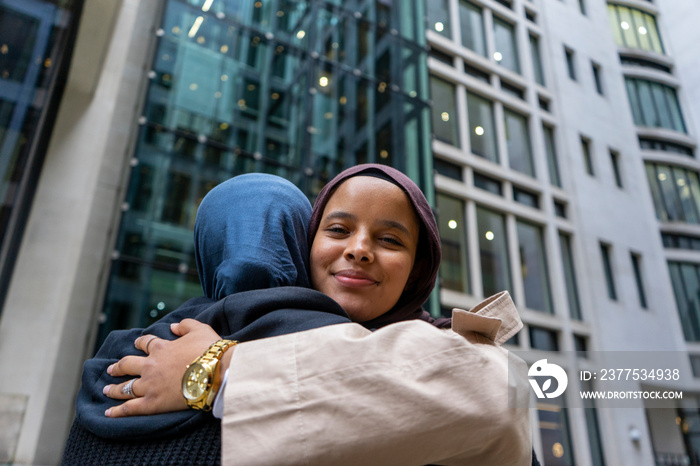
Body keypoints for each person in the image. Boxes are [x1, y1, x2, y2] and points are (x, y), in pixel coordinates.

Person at [65, 165, 532, 465]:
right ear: (302, 249)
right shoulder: (165, 346)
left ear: (418, 271)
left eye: (390, 240)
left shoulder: (448, 350)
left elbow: (496, 395)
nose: (359, 249)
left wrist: (220, 369)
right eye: (337, 229)